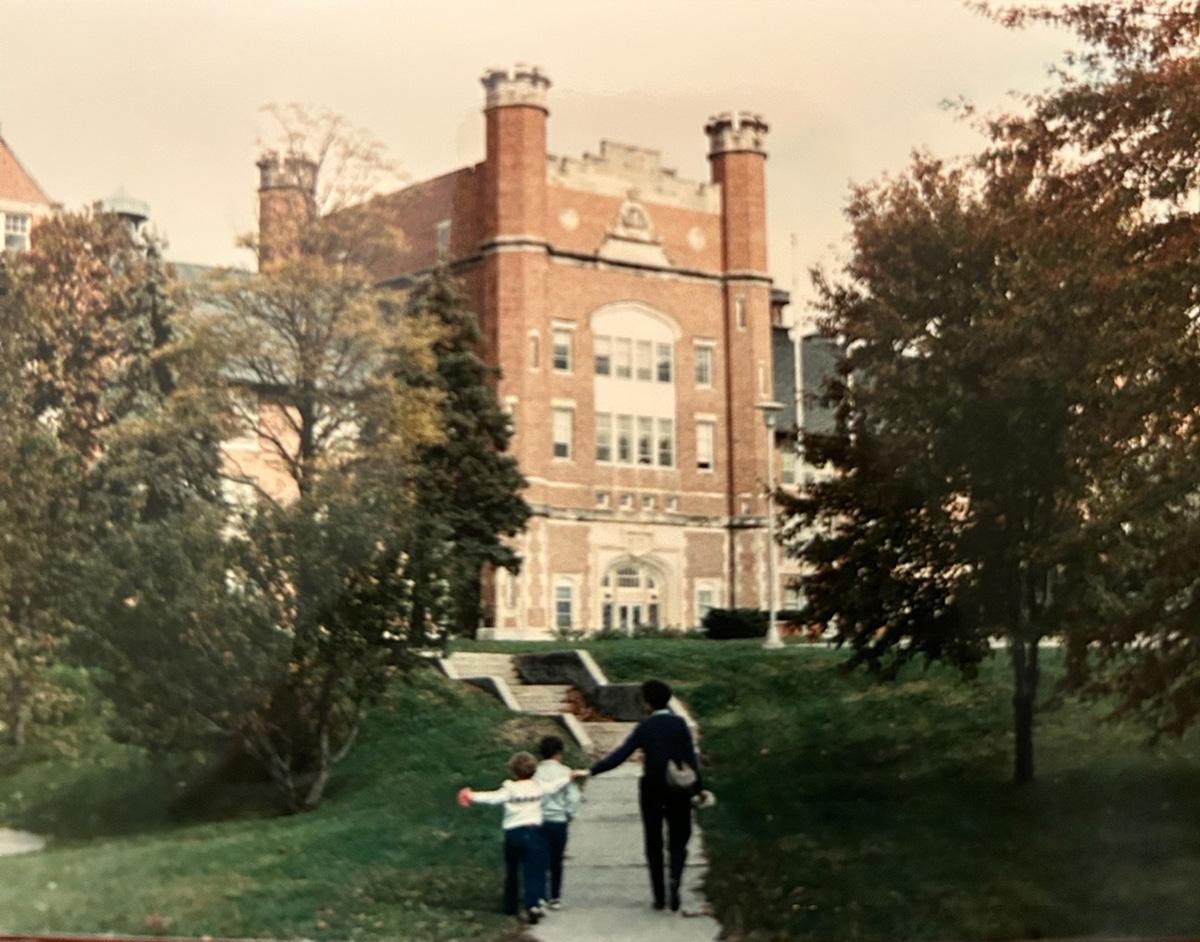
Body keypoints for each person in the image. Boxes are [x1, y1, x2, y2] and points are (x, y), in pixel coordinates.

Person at [588, 679, 703, 912]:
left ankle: (659, 895)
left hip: (652, 788)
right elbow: (691, 758)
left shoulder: (645, 727)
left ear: (648, 703)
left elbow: (621, 754)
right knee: (678, 839)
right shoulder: (679, 724)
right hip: (678, 789)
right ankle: (676, 881)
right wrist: (699, 788)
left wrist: (593, 770)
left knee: (653, 842)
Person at [458, 750, 587, 924]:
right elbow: (554, 786)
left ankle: (510, 905)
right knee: (533, 870)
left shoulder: (510, 789)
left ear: (513, 770)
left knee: (512, 870)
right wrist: (569, 776)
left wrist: (471, 795)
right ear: (533, 770)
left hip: (513, 833)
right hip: (533, 832)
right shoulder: (537, 787)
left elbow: (493, 798)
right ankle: (533, 904)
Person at [534, 735, 583, 910]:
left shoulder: (535, 772)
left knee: (540, 858)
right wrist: (570, 814)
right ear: (558, 753)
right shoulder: (565, 772)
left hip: (539, 819)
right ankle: (555, 897)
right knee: (556, 860)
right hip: (558, 820)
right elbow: (573, 797)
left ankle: (539, 895)